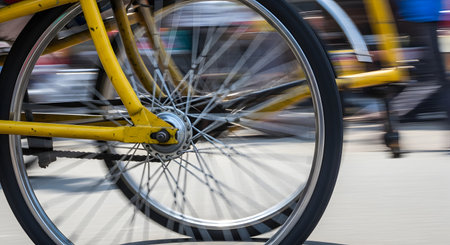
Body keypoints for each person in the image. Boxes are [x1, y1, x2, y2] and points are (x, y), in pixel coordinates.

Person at [392, 0, 449, 125]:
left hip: (424, 15)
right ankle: (393, 111)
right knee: (433, 76)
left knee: (434, 75)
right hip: (422, 16)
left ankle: (394, 110)